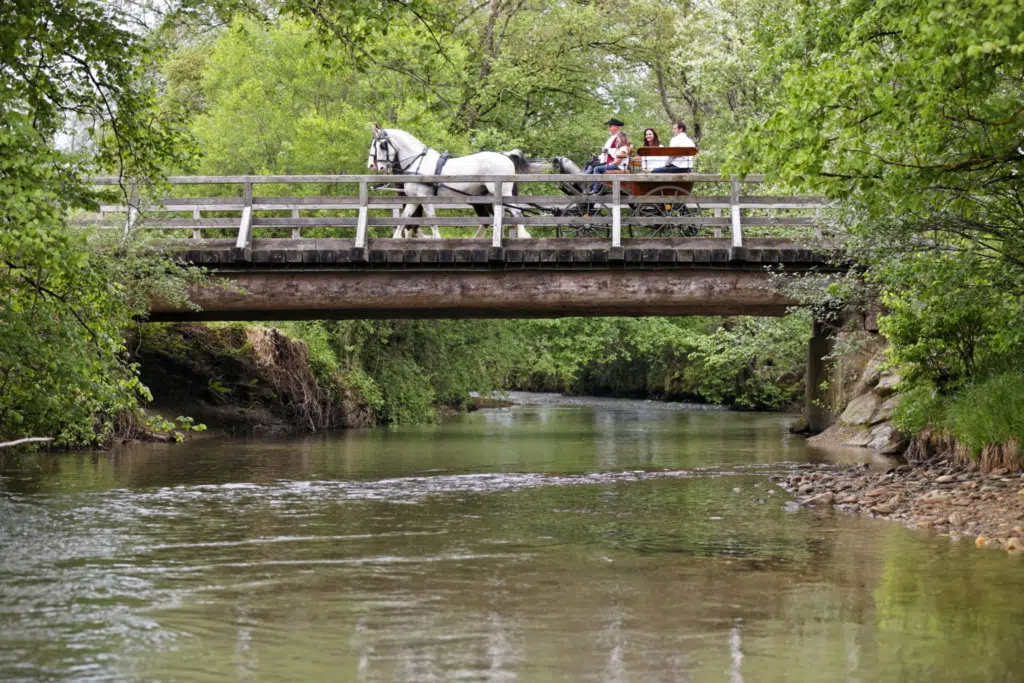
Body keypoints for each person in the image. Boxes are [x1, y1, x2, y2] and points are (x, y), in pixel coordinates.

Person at [585, 118, 631, 192]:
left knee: (593, 167)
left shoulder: (619, 139)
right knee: (588, 164)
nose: (608, 128)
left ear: (617, 127)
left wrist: (607, 152)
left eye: (610, 126)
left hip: (612, 163)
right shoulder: (613, 138)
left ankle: (590, 186)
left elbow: (617, 155)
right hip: (610, 162)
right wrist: (599, 157)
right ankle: (586, 185)